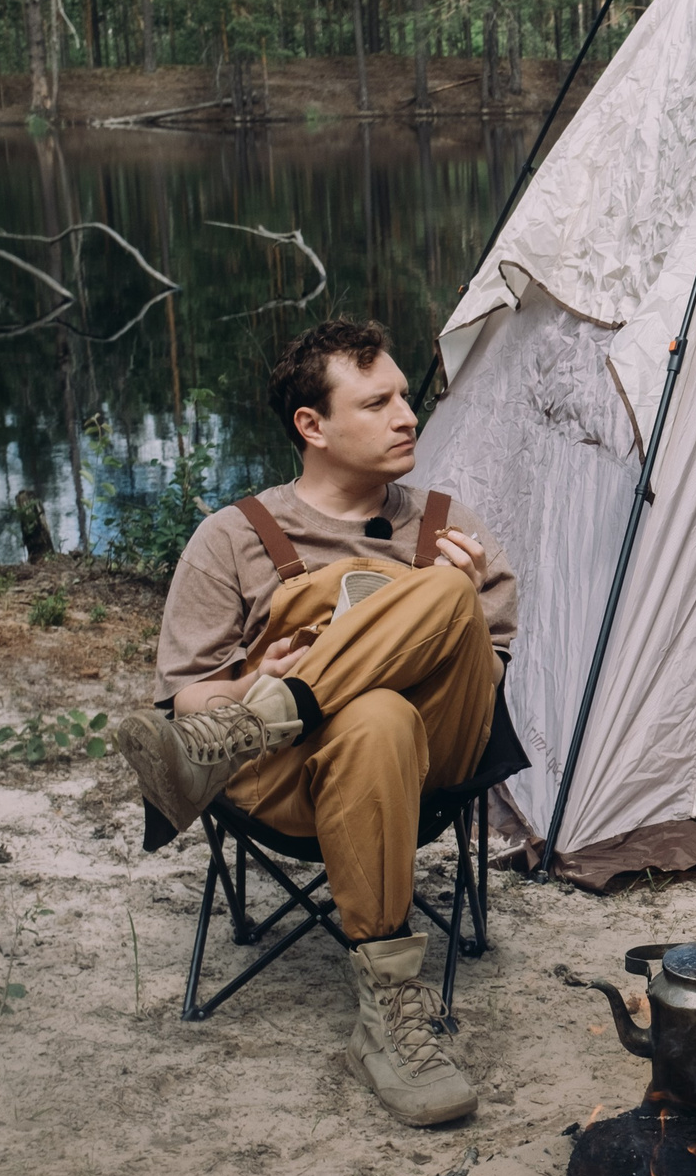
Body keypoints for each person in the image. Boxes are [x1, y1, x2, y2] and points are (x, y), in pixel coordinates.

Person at [119, 320, 517, 1127]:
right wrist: (249, 681)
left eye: (406, 395)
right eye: (378, 402)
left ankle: (248, 731)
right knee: (372, 715)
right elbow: (184, 696)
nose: (408, 414)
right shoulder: (232, 538)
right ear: (313, 426)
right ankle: (391, 1013)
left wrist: (452, 613)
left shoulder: (448, 523)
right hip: (302, 778)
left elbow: (489, 681)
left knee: (443, 596)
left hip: (437, 757)